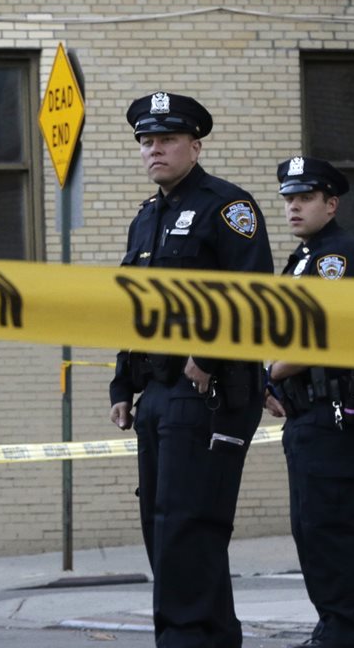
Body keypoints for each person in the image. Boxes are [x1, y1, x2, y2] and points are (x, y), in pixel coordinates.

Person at [109, 91, 274, 647]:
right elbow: (137, 309)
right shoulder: (147, 218)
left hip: (206, 390)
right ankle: (214, 638)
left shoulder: (228, 207)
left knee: (186, 527)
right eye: (146, 141)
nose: (154, 150)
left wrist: (207, 358)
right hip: (156, 393)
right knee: (165, 530)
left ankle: (183, 641)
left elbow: (252, 296)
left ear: (194, 145)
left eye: (167, 140)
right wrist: (122, 383)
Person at [264, 156, 354, 648]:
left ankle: (343, 631)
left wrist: (272, 372)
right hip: (308, 412)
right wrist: (272, 384)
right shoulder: (306, 259)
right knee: (310, 526)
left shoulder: (339, 257)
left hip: (334, 413)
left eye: (305, 198)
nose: (293, 207)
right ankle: (331, 626)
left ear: (331, 204)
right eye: (289, 198)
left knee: (329, 525)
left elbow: (322, 335)